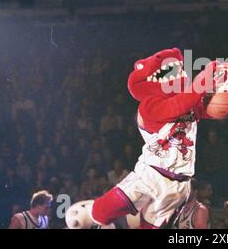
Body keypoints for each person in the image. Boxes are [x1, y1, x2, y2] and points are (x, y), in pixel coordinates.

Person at [66, 48, 219, 229]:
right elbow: (179, 104)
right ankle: (90, 213)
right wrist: (204, 79)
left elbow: (207, 108)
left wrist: (227, 94)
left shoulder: (188, 102)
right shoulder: (148, 106)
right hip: (152, 174)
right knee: (103, 211)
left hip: (180, 185)